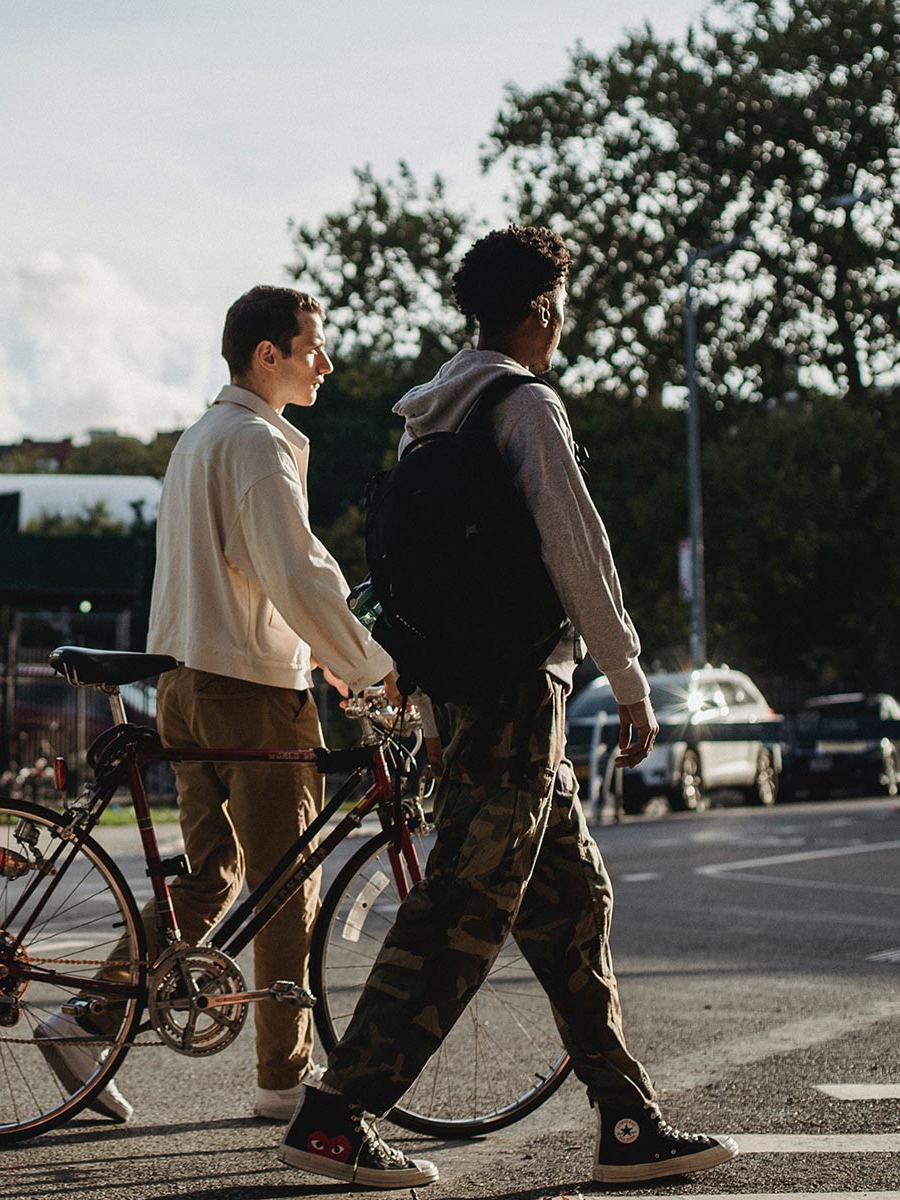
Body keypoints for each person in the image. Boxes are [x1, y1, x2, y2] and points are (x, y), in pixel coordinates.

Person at [278, 227, 740, 1189]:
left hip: (469, 695)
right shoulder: (525, 406)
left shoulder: (430, 416)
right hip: (522, 695)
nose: (561, 325)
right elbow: (580, 552)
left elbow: (417, 587)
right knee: (460, 912)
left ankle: (626, 1121)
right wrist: (630, 678)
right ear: (539, 312)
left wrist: (441, 717)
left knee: (573, 905)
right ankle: (336, 1111)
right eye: (558, 307)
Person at [37, 285, 395, 1124]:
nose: (326, 362)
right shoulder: (255, 445)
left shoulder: (199, 438)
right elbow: (296, 572)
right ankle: (282, 1080)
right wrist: (367, 666)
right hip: (251, 691)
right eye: (313, 346)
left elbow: (255, 575)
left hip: (184, 685)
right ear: (266, 355)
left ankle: (86, 1015)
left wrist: (331, 658)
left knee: (210, 877)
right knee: (283, 888)